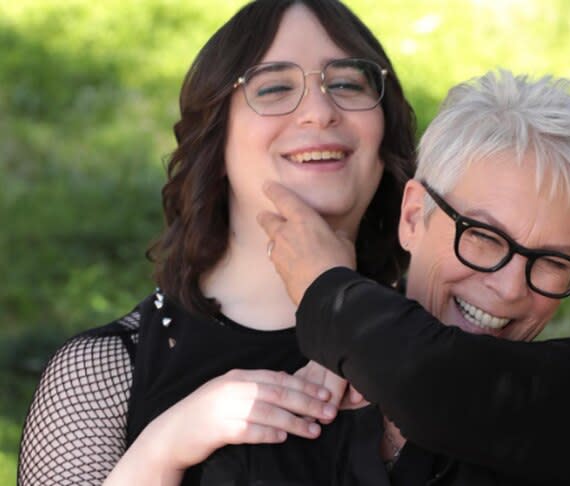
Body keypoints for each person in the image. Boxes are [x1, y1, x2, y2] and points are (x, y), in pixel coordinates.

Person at [17, 1, 415, 484]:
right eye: (274, 88)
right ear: (217, 136)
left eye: (348, 83)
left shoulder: (440, 344)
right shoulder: (99, 375)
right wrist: (164, 448)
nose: (319, 111)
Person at [255, 70, 570, 484]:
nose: (510, 288)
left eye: (553, 261)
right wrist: (180, 438)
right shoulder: (284, 410)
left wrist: (327, 287)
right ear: (412, 217)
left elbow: (427, 383)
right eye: (483, 237)